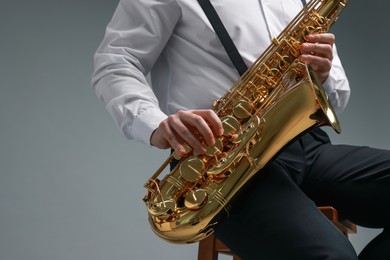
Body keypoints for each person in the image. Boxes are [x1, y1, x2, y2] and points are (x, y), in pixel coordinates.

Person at [92, 0, 390, 259]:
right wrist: (156, 125)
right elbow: (116, 61)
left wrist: (323, 74)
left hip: (305, 146)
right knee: (331, 255)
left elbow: (339, 94)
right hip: (222, 163)